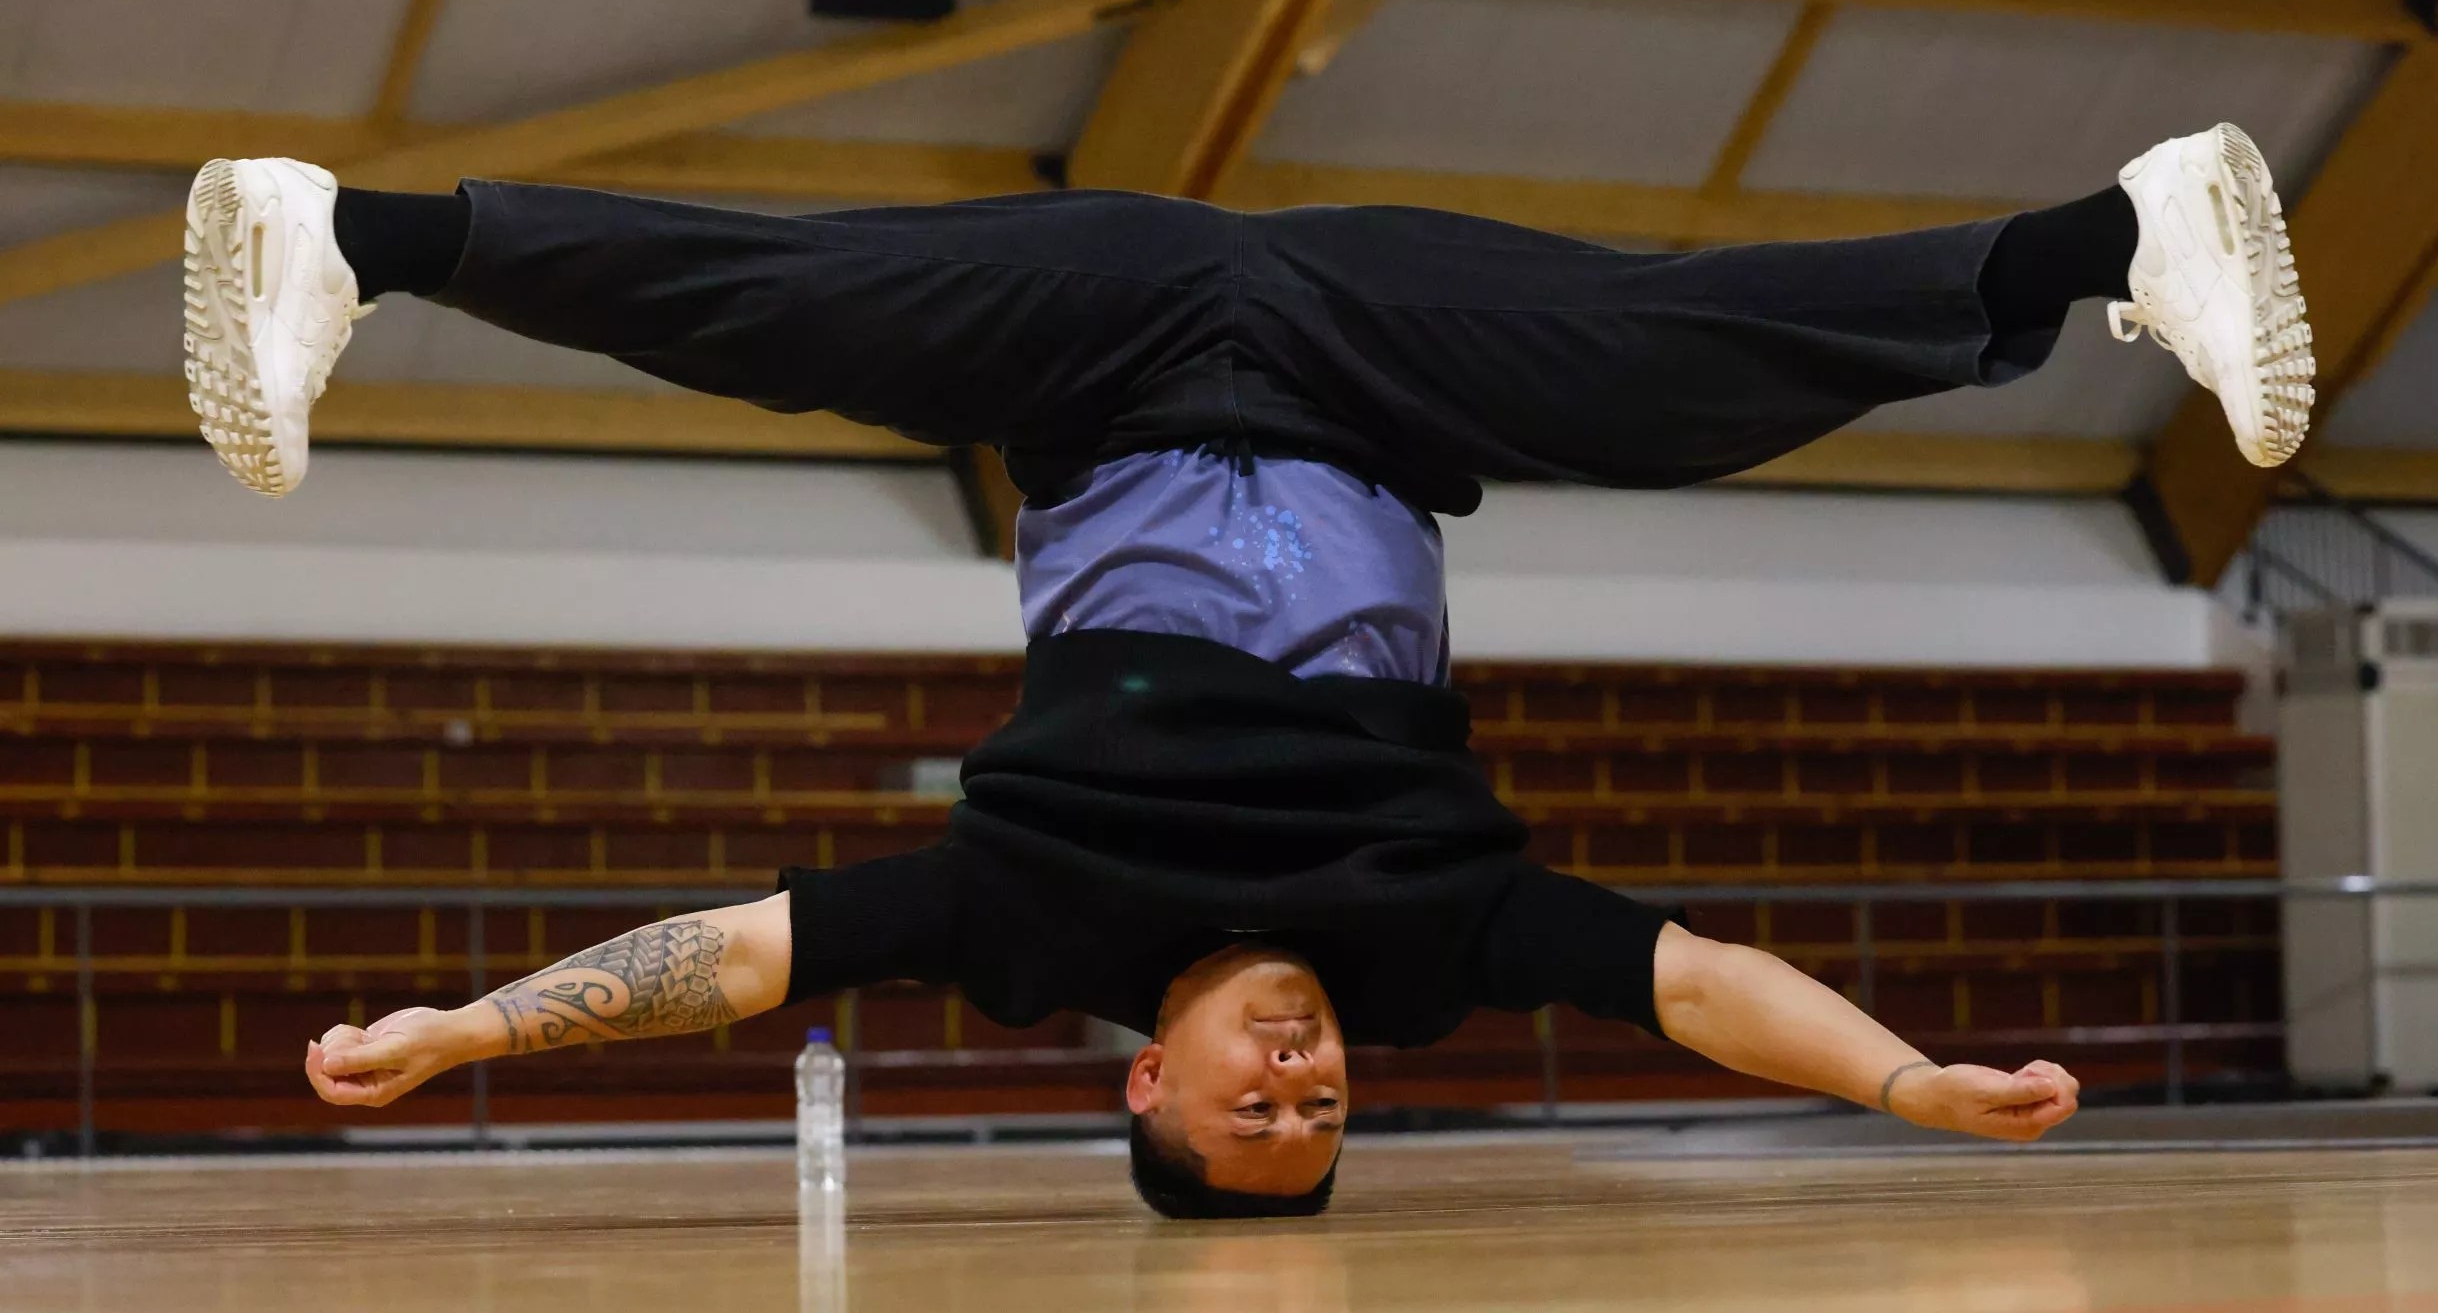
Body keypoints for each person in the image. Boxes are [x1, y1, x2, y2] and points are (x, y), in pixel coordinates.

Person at [189, 123, 2312, 1217]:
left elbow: (735, 959)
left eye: (1252, 1106)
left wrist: (467, 1026)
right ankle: (2114, 239)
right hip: (1375, 362)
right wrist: (1904, 1080)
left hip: (1096, 350)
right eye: (1322, 1109)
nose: (1299, 1071)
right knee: (1667, 367)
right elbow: (1683, 980)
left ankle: (354, 231)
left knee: (798, 308)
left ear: (1147, 1078)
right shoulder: (1424, 938)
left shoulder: (1031, 917)